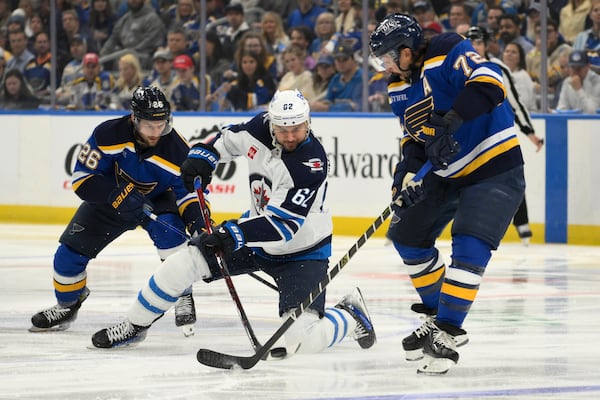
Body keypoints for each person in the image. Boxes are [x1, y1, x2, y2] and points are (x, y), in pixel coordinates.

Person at [90, 89, 377, 356]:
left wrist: (233, 234)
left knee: (302, 342)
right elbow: (227, 139)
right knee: (181, 263)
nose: (290, 137)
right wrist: (204, 156)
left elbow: (283, 226)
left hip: (302, 254)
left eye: (297, 129)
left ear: (308, 123)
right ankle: (134, 325)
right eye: (283, 129)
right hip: (254, 239)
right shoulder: (260, 128)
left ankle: (351, 315)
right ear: (271, 123)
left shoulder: (310, 164)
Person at [369, 14, 525, 374]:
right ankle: (441, 314)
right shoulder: (397, 87)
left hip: (494, 167)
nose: (386, 65)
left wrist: (452, 120)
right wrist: (404, 175)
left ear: (407, 51)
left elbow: (491, 82)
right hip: (445, 174)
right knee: (406, 235)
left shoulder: (445, 48)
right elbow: (414, 139)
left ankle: (448, 330)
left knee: (469, 242)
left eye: (389, 57)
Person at [30, 86, 204, 334]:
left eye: (161, 124)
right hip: (111, 200)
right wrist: (114, 195)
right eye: (149, 126)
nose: (156, 132)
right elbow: (81, 178)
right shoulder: (108, 134)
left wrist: (197, 222)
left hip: (156, 201)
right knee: (67, 257)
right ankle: (68, 304)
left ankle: (183, 293)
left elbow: (188, 194)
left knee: (172, 237)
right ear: (134, 118)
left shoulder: (178, 151)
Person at [467, 26, 544, 245]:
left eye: (479, 42)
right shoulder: (458, 67)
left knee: (509, 176)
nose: (475, 47)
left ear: (486, 44)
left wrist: (530, 132)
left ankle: (522, 224)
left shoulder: (497, 68)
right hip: (471, 135)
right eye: (471, 42)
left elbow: (515, 103)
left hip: (498, 134)